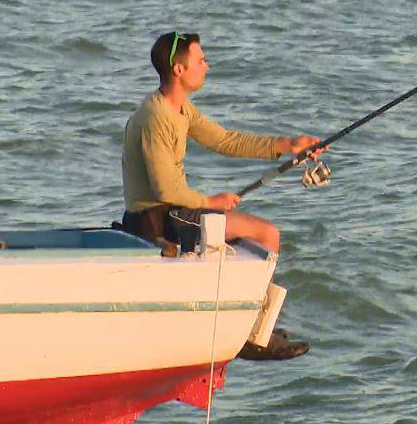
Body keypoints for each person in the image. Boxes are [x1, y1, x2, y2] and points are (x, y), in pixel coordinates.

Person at [120, 31, 322, 360]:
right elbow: (165, 190)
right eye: (201, 60)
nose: (208, 67)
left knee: (254, 236)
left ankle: (248, 325)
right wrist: (213, 202)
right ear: (178, 69)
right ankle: (253, 337)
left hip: (173, 210)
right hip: (156, 219)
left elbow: (225, 140)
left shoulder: (181, 109)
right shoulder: (156, 117)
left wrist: (288, 144)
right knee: (266, 233)